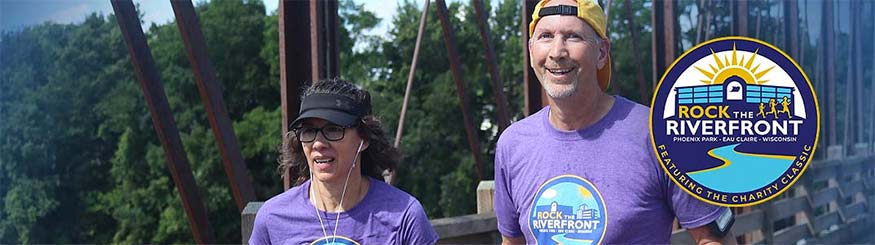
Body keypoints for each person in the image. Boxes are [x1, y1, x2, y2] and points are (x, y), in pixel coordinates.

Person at [493, 0, 735, 244]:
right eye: (545, 36)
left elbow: (713, 239)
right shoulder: (513, 144)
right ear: (531, 49)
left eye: (573, 36)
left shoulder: (659, 135)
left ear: (601, 53)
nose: (557, 52)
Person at [249, 78, 438, 244]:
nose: (318, 143)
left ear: (364, 139)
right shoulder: (272, 218)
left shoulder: (404, 215)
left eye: (333, 129)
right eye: (308, 131)